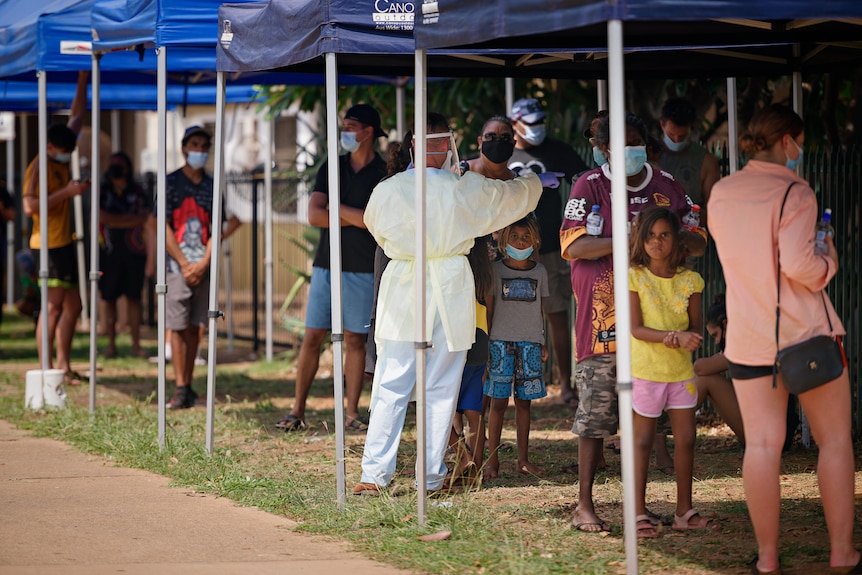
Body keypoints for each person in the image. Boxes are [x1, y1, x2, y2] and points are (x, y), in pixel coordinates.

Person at [353, 112, 557, 496]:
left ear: (414, 145)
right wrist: (531, 180)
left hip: (404, 286)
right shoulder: (465, 188)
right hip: (448, 285)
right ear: (447, 144)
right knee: (441, 386)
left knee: (391, 382)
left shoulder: (388, 189)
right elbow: (511, 198)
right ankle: (429, 478)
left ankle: (374, 475)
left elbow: (373, 224)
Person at [709, 104, 858, 575]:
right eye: (800, 142)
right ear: (789, 141)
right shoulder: (795, 190)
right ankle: (841, 553)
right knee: (834, 442)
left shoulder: (723, 192)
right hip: (804, 336)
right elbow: (801, 268)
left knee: (762, 447)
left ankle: (768, 560)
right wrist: (828, 256)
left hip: (749, 337)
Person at [560, 111, 706, 533]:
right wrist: (631, 239)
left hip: (659, 327)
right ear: (603, 148)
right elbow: (573, 246)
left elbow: (696, 239)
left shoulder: (668, 186)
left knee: (649, 422)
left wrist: (670, 239)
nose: (630, 151)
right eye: (620, 145)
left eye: (636, 142)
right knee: (596, 415)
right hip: (602, 319)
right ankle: (585, 504)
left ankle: (650, 508)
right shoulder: (589, 186)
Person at [275, 103, 387, 432]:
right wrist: (353, 215)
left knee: (355, 341)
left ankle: (351, 412)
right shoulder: (332, 166)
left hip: (362, 268)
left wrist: (335, 209)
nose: (345, 131)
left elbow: (374, 221)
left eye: (351, 126)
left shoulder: (383, 173)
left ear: (368, 132)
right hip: (326, 265)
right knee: (312, 337)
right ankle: (297, 410)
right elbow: (313, 215)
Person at [628, 206, 715, 538]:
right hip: (646, 371)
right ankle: (637, 512)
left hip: (680, 372)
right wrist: (671, 337)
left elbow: (695, 326)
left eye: (664, 235)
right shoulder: (634, 277)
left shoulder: (691, 281)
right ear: (640, 240)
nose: (657, 242)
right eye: (650, 235)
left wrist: (690, 337)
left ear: (677, 239)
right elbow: (635, 328)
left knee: (687, 439)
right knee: (642, 441)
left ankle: (684, 511)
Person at [509, 98, 588, 407]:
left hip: (553, 247)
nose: (537, 128)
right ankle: (516, 383)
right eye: (531, 123)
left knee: (557, 313)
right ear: (515, 124)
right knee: (513, 315)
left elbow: (584, 181)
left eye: (541, 121)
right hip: (511, 249)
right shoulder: (503, 153)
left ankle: (565, 385)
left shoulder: (559, 150)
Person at [157, 125, 241, 409]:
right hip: (175, 266)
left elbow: (216, 228)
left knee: (196, 327)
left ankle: (188, 385)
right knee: (177, 327)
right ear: (183, 148)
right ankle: (180, 386)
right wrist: (183, 263)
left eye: (204, 146)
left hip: (203, 266)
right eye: (195, 145)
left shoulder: (211, 185)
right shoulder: (169, 183)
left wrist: (203, 263)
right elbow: (162, 226)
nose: (200, 151)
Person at [22, 71, 90, 386]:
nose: (67, 156)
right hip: (48, 243)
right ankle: (47, 369)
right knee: (52, 307)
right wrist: (68, 193)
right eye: (64, 151)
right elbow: (30, 206)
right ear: (50, 147)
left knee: (73, 304)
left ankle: (63, 364)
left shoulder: (64, 152)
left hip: (67, 240)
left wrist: (82, 79)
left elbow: (76, 117)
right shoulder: (39, 166)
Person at [484, 215, 549, 479]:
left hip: (531, 345)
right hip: (499, 344)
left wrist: (543, 342)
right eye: (514, 237)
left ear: (535, 241)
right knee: (497, 404)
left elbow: (541, 311)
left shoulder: (540, 271)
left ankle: (523, 460)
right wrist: (486, 345)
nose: (520, 242)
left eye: (525, 237)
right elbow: (489, 311)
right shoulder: (495, 271)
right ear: (503, 240)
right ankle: (492, 462)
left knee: (525, 404)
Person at [99, 152, 152, 358]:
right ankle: (111, 345)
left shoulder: (138, 191)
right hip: (109, 253)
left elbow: (145, 218)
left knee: (133, 298)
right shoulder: (104, 191)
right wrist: (128, 219)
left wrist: (116, 220)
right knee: (109, 298)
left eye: (119, 164)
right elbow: (102, 217)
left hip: (134, 253)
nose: (115, 168)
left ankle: (136, 345)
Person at [658, 98, 720, 225]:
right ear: (662, 125)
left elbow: (712, 211)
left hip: (691, 229)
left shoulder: (706, 161)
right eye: (671, 135)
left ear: (692, 127)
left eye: (681, 136)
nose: (676, 140)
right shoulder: (649, 155)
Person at [692, 293, 745, 443]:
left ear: (726, 324)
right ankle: (671, 422)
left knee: (706, 379)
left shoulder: (743, 346)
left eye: (716, 335)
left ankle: (672, 422)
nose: (716, 341)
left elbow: (699, 367)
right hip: (764, 429)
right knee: (705, 378)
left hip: (766, 434)